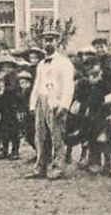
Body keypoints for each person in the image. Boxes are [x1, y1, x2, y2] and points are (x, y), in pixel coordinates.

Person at [28, 28, 76, 179]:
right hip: (42, 100)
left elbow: (69, 86)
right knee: (40, 135)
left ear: (57, 42)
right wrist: (32, 104)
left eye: (52, 40)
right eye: (46, 40)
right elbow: (37, 84)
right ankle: (40, 166)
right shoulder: (41, 64)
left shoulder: (64, 63)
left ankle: (58, 167)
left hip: (55, 100)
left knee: (57, 136)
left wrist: (64, 105)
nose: (48, 43)